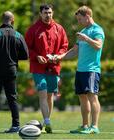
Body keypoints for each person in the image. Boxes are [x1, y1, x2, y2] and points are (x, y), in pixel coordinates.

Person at [56, 6, 105, 134]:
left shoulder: (97, 30)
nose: (78, 22)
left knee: (92, 97)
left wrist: (87, 39)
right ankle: (85, 126)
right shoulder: (83, 31)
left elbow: (98, 45)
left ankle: (94, 127)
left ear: (87, 17)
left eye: (80, 19)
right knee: (82, 97)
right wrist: (59, 57)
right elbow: (74, 52)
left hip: (92, 70)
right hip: (80, 70)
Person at [0, 11, 28, 133]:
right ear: (12, 20)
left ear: (2, 20)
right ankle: (16, 125)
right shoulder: (18, 35)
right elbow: (25, 55)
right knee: (12, 98)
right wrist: (14, 55)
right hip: (11, 70)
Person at [25, 4, 68, 133]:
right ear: (40, 14)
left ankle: (46, 121)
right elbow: (26, 48)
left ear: (52, 13)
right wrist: (37, 56)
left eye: (49, 12)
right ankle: (48, 121)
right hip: (38, 67)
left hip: (54, 67)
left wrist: (57, 56)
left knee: (50, 95)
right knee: (43, 92)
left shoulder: (59, 29)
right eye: (45, 13)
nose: (48, 15)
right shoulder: (33, 29)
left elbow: (64, 46)